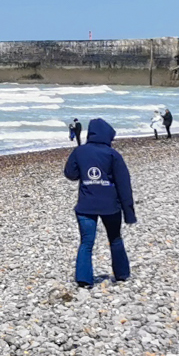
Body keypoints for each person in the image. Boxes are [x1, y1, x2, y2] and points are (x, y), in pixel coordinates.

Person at [63, 119, 136, 288]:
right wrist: (129, 214)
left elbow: (70, 174)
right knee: (115, 238)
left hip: (86, 205)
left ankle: (84, 279)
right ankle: (122, 274)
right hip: (110, 206)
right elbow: (124, 185)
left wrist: (86, 175)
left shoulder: (79, 152)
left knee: (86, 242)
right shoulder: (113, 155)